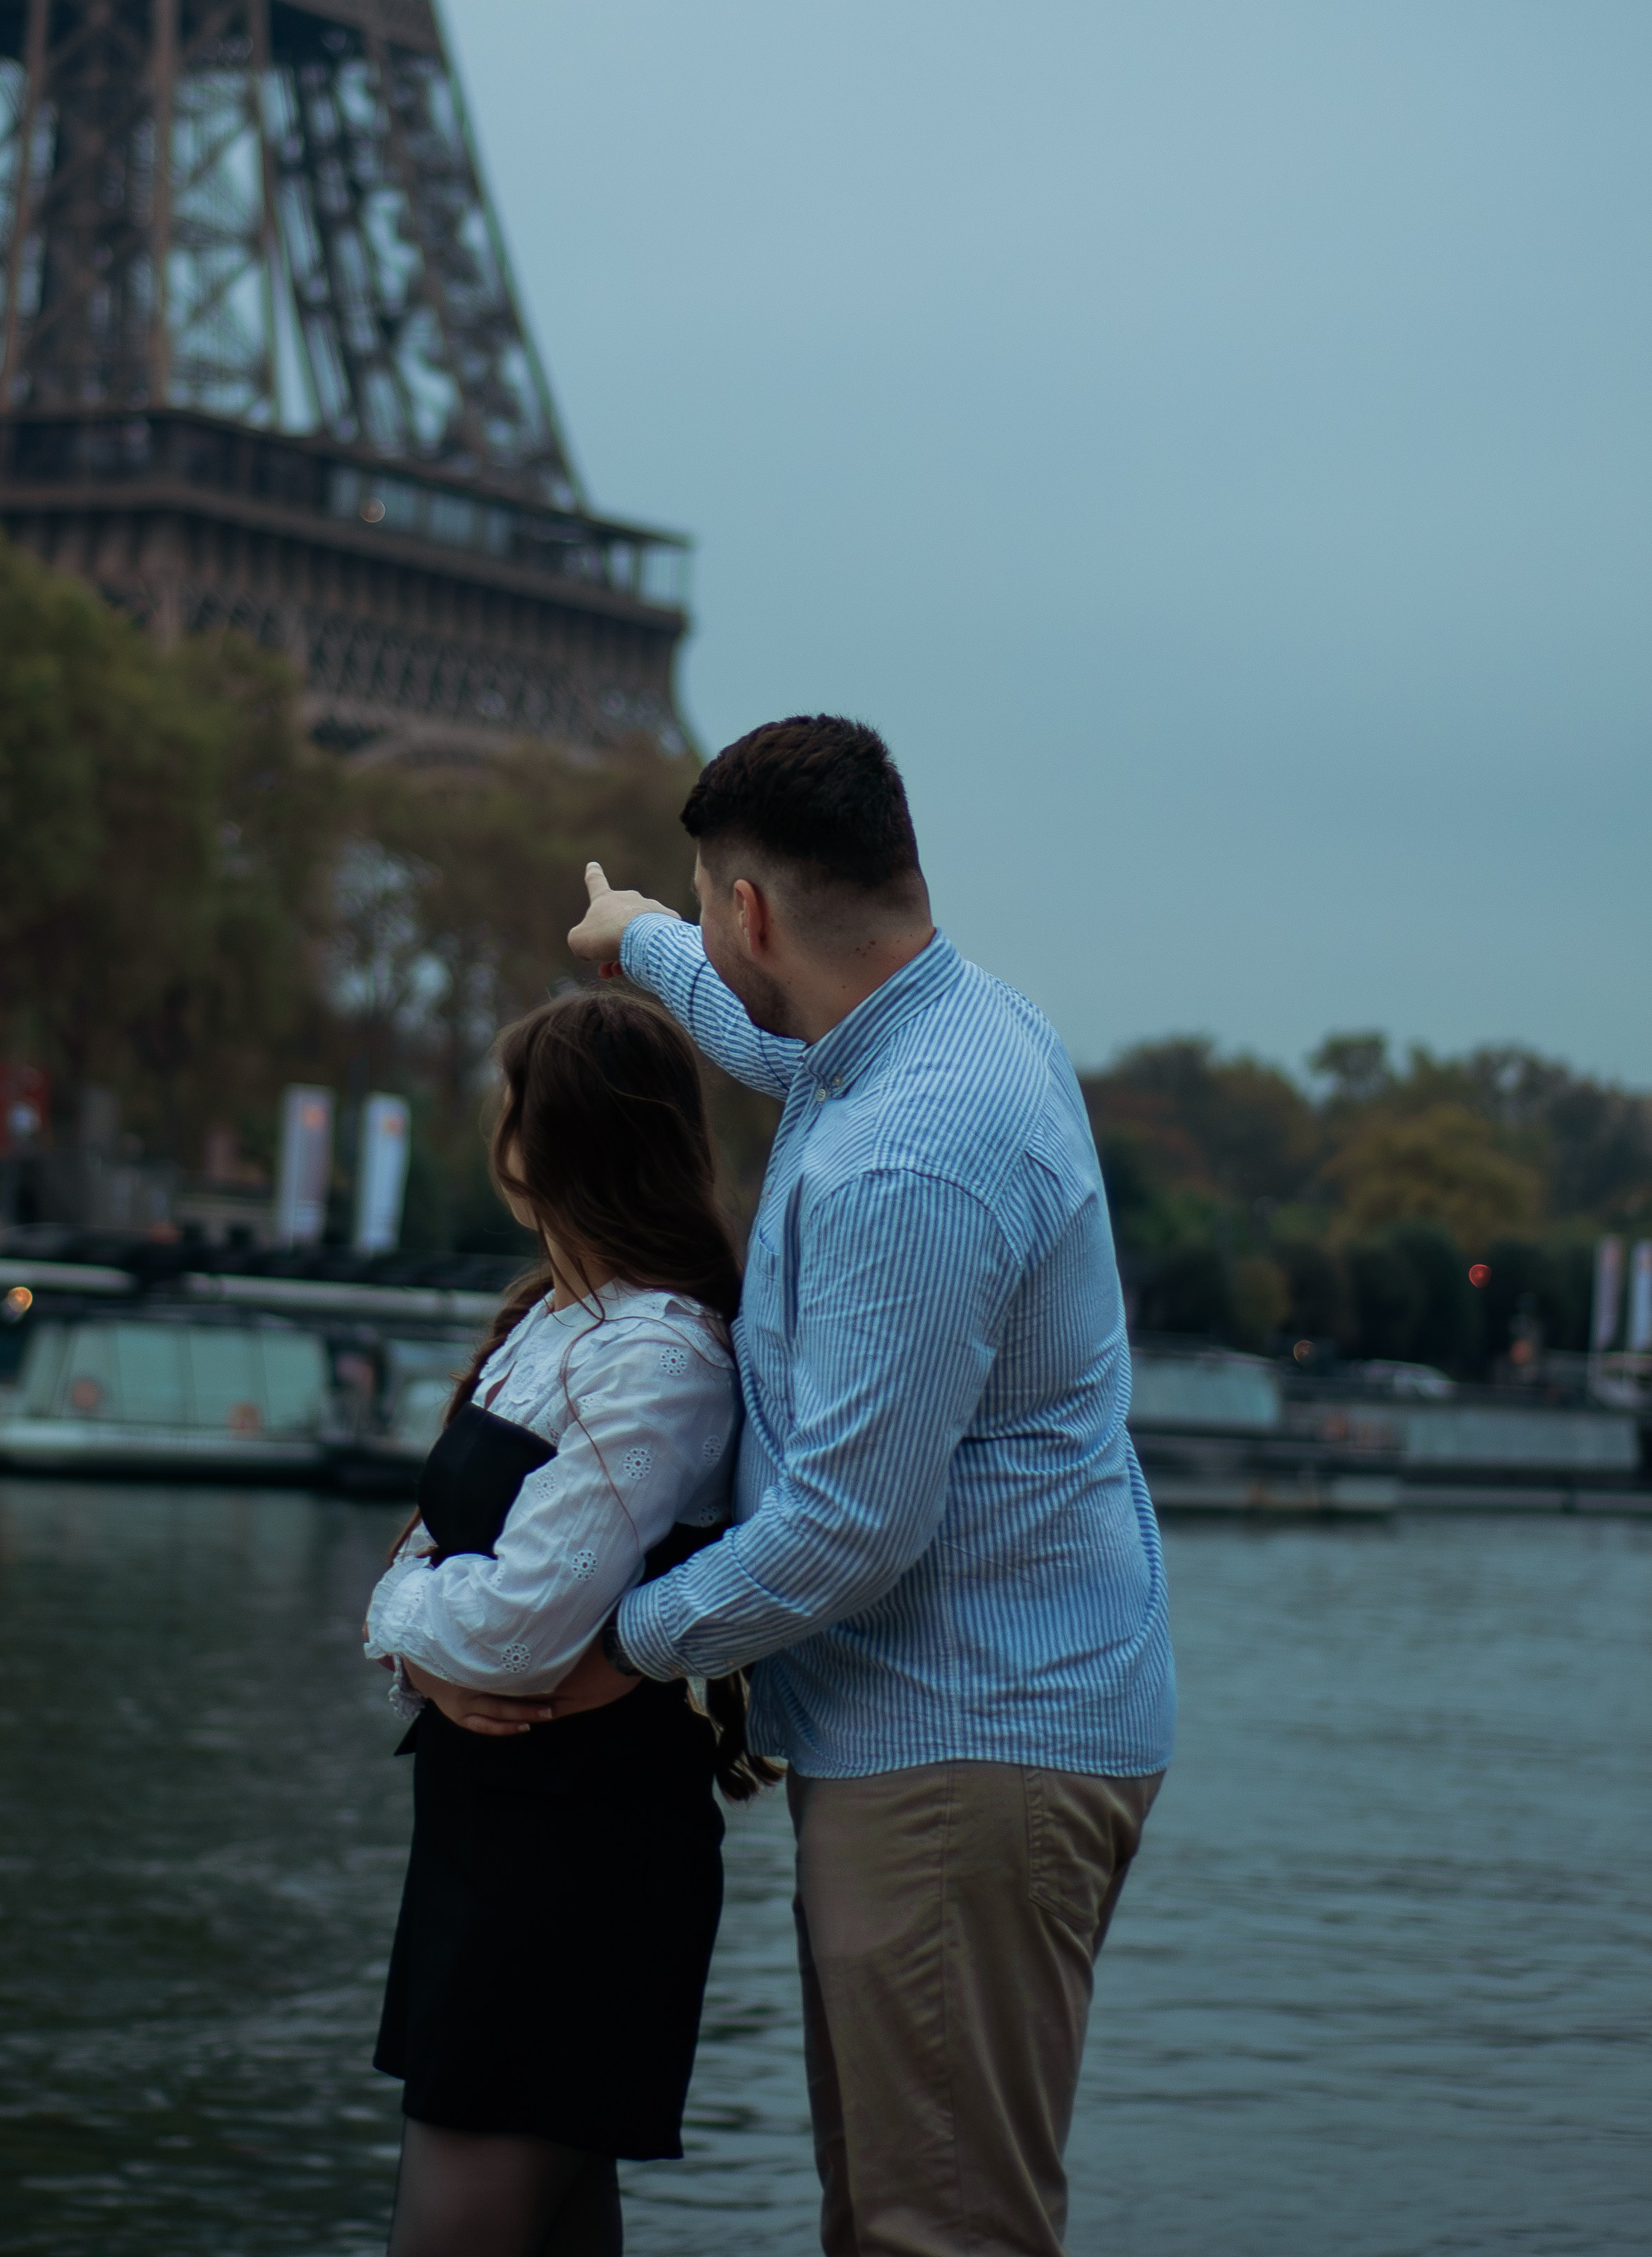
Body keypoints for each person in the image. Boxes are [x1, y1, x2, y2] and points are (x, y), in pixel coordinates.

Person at [475, 714, 1176, 2257]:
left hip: (955, 1744)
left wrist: (610, 1643)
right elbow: (779, 1044)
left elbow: (849, 1528)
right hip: (998, 1715)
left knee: (932, 2229)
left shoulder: (904, 1159)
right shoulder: (956, 1027)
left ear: (758, 911)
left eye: (707, 911)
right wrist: (643, 941)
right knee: (898, 2212)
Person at [361, 989, 772, 2257]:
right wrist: (418, 1650)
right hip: (501, 1833)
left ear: (551, 1142)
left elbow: (512, 1632)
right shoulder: (554, 1322)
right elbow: (422, 1583)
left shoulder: (657, 1357)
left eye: (510, 1105)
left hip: (576, 1854)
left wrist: (417, 1636)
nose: (498, 1128)